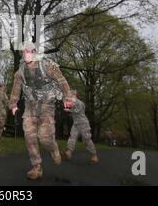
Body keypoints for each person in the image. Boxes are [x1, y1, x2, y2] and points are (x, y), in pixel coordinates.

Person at [10, 41, 73, 180]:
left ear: (34, 52)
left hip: (46, 105)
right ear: (22, 53)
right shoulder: (20, 71)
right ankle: (36, 167)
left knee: (45, 138)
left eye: (30, 51)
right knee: (29, 136)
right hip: (30, 105)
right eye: (24, 51)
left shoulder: (47, 66)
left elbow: (62, 81)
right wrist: (13, 104)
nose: (27, 53)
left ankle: (53, 148)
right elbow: (16, 88)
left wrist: (68, 98)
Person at [61, 91, 99, 164]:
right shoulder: (71, 102)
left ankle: (94, 155)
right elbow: (66, 106)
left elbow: (75, 111)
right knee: (72, 137)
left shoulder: (80, 103)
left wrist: (68, 109)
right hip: (76, 124)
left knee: (86, 139)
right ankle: (68, 153)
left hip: (83, 123)